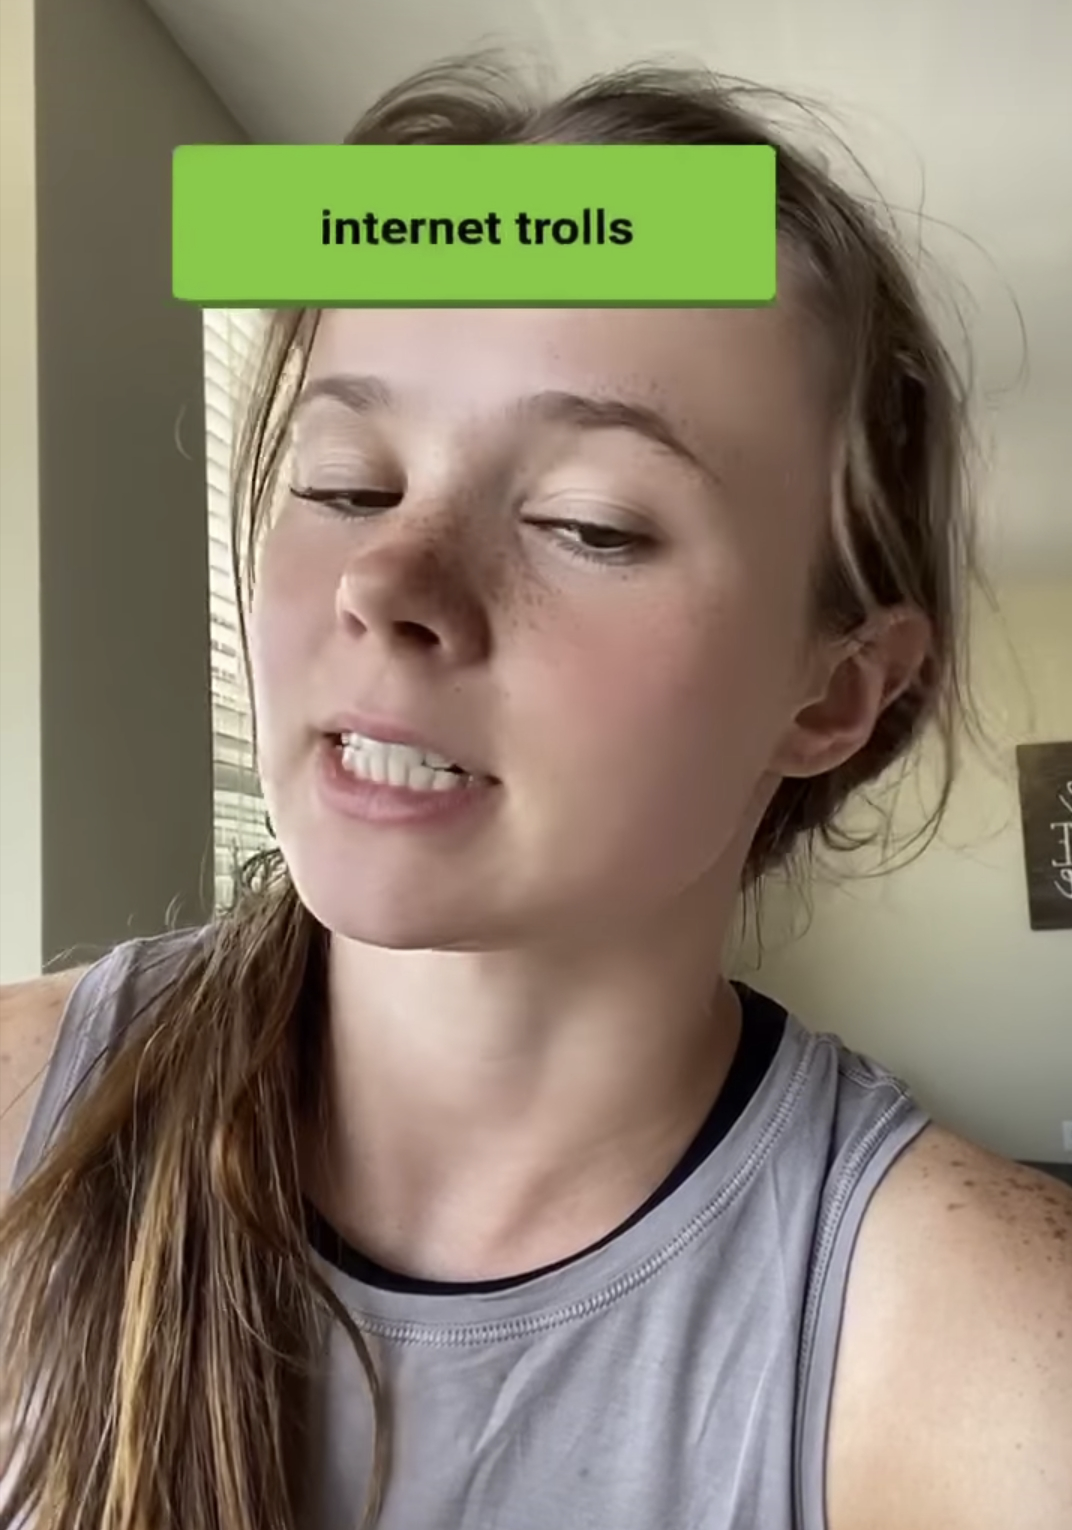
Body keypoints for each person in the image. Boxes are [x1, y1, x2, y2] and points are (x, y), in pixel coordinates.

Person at [1, 54, 1069, 1530]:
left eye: (590, 522)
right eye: (348, 484)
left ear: (834, 692)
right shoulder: (23, 1120)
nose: (388, 578)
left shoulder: (992, 1360)